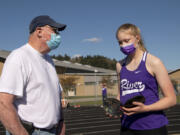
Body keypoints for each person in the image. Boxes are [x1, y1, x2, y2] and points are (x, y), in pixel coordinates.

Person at [0, 15, 67, 135]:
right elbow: (3, 103)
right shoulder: (19, 57)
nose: (58, 35)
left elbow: (56, 97)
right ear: (39, 32)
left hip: (53, 130)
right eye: (54, 30)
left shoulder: (49, 60)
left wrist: (61, 123)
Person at [116, 23, 176, 135]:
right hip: (127, 126)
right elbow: (120, 95)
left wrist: (146, 108)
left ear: (137, 38)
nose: (123, 45)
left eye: (127, 40)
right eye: (120, 42)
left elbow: (171, 99)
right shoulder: (119, 65)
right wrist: (114, 107)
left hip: (152, 126)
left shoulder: (153, 62)